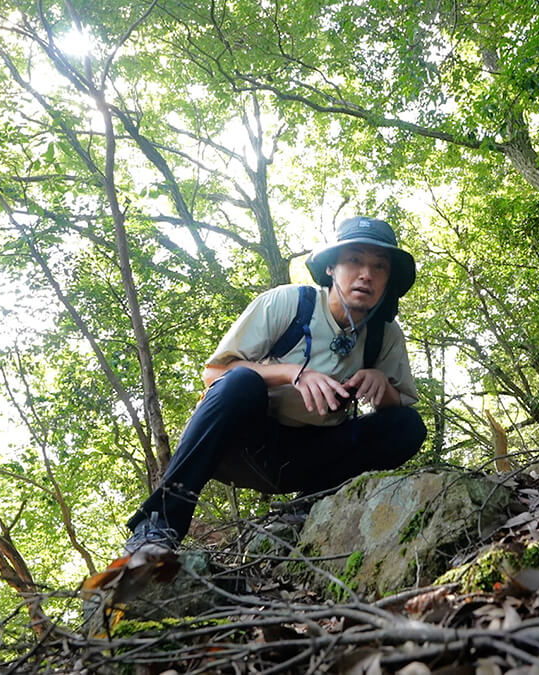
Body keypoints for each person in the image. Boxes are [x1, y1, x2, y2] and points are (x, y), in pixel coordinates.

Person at [123, 216, 427, 554]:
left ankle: (309, 505)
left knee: (408, 425)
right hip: (246, 447)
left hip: (315, 456)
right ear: (331, 267)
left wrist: (381, 383)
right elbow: (215, 373)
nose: (366, 274)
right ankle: (157, 527)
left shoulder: (385, 334)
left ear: (388, 278)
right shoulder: (290, 303)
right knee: (240, 381)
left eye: (379, 266)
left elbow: (397, 407)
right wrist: (293, 373)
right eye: (354, 260)